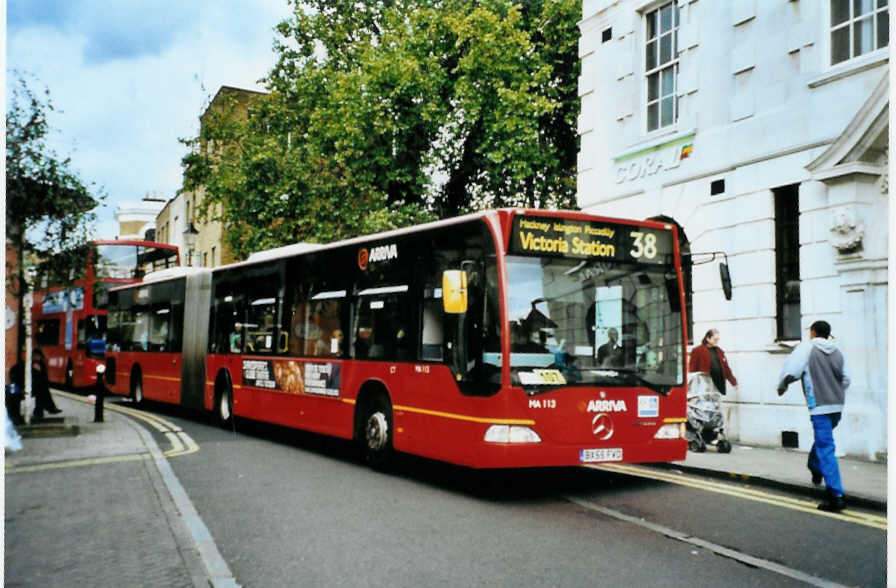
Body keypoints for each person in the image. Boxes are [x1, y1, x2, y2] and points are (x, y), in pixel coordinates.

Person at [777, 320, 850, 513]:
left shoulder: (807, 348)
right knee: (823, 441)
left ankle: (836, 495)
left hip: (819, 406)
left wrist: (782, 386)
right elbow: (846, 378)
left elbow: (792, 370)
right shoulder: (837, 350)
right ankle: (815, 466)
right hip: (837, 405)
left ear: (812, 332)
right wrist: (837, 393)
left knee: (826, 446)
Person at [688, 329, 738, 395]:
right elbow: (692, 369)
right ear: (708, 338)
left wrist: (734, 382)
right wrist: (691, 387)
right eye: (715, 339)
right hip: (704, 385)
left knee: (717, 404)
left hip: (718, 384)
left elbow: (726, 368)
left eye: (717, 339)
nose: (716, 341)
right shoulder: (697, 350)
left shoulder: (719, 351)